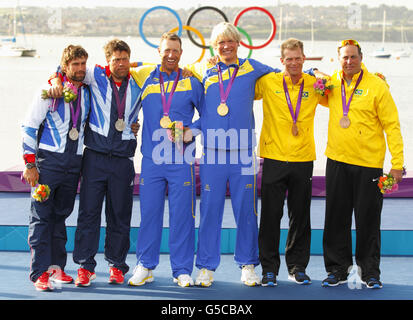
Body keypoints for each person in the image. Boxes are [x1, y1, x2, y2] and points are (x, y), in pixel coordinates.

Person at [186, 22, 281, 287]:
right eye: (220, 43)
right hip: (213, 154)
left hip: (242, 153)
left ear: (238, 43)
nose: (226, 46)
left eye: (230, 41)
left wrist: (314, 73)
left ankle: (248, 264)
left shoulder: (253, 67)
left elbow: (286, 76)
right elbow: (189, 97)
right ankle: (205, 267)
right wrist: (190, 130)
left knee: (246, 212)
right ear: (213, 47)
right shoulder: (203, 70)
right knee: (209, 211)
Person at [49, 39, 141, 286]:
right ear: (108, 61)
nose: (121, 64)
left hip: (123, 160)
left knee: (120, 215)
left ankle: (117, 265)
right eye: (116, 60)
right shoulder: (95, 75)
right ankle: (85, 266)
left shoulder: (140, 79)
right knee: (88, 214)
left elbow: (166, 67)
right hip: (95, 158)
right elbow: (67, 68)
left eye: (125, 59)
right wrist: (56, 79)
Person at [321, 39, 404, 289]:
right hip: (336, 161)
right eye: (344, 57)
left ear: (361, 57)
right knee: (336, 219)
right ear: (338, 59)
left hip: (369, 164)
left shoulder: (377, 86)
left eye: (353, 57)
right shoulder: (331, 83)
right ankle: (337, 270)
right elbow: (302, 86)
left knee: (368, 220)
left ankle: (370, 273)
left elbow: (392, 126)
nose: (348, 61)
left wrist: (397, 163)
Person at [127, 33, 203, 288]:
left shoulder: (192, 81)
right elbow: (113, 67)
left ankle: (181, 269)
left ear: (181, 53)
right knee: (149, 215)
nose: (171, 55)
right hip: (151, 159)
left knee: (182, 216)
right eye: (166, 50)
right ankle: (145, 266)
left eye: (176, 51)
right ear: (158, 51)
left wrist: (191, 130)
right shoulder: (145, 76)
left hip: (182, 160)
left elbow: (209, 116)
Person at [255, 38, 327, 286]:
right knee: (270, 216)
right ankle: (269, 268)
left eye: (298, 58)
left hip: (303, 158)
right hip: (274, 157)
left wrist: (317, 72)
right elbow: (241, 88)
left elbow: (334, 90)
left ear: (304, 59)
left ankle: (297, 267)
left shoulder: (314, 84)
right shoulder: (268, 82)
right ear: (281, 60)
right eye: (289, 59)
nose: (294, 62)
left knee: (300, 216)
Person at [22, 45, 91, 291]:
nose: (81, 69)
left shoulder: (87, 90)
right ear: (65, 67)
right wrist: (29, 164)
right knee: (41, 217)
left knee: (60, 216)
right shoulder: (47, 91)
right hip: (48, 163)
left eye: (83, 64)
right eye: (75, 64)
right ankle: (39, 273)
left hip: (73, 164)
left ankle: (56, 268)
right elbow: (29, 126)